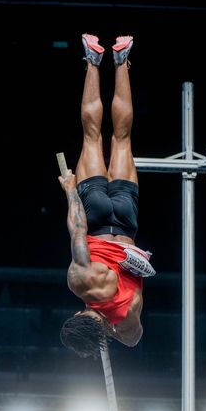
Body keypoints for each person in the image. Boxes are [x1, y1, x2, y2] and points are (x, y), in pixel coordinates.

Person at [58, 33, 155, 359]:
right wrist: (71, 190)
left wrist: (110, 332)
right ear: (75, 316)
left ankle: (122, 60)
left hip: (126, 225)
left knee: (123, 139)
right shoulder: (79, 282)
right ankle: (93, 60)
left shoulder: (125, 325)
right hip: (96, 216)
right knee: (91, 136)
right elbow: (78, 231)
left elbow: (134, 338)